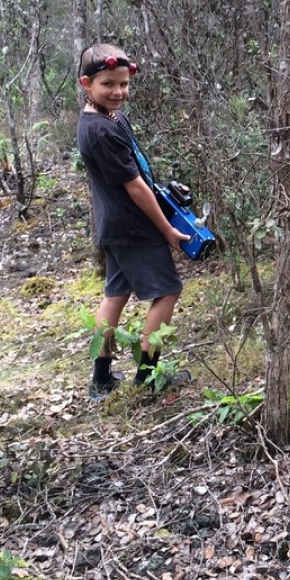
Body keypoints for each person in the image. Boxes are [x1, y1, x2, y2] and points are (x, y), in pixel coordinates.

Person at [77, 43, 193, 398]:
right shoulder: (100, 130)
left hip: (115, 224)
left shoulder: (109, 118)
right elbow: (135, 187)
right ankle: (148, 374)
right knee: (168, 290)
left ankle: (101, 378)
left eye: (124, 84)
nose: (118, 92)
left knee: (116, 293)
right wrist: (167, 229)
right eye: (108, 84)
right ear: (87, 84)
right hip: (132, 226)